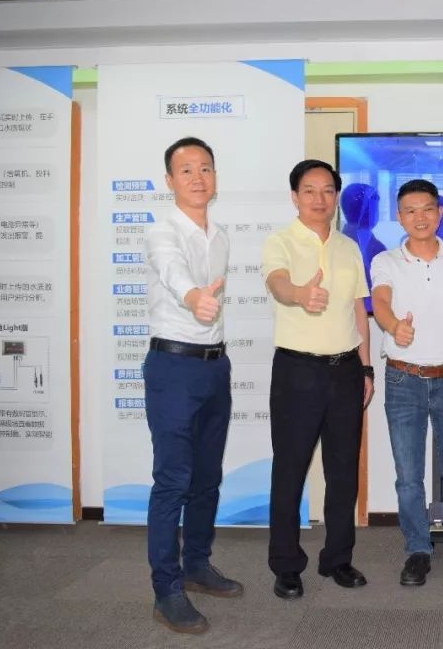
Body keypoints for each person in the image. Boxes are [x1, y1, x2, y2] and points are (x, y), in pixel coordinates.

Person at [262, 159, 374, 600]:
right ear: (295, 197)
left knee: (343, 472)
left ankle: (338, 559)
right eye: (309, 190)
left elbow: (358, 309)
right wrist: (300, 294)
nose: (319, 199)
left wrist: (366, 367)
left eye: (328, 190)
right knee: (290, 471)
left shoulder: (348, 246)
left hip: (346, 370)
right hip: (298, 371)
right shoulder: (280, 241)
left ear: (337, 197)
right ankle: (286, 565)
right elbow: (277, 283)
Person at [369, 179, 443, 589]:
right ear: (399, 217)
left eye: (427, 209)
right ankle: (417, 550)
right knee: (408, 476)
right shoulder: (386, 260)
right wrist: (393, 326)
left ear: (440, 213)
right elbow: (380, 301)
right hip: (403, 378)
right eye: (410, 210)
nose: (419, 217)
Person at [144, 136, 242, 634]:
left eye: (205, 168)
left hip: (214, 367)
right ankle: (167, 590)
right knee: (173, 481)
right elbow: (173, 271)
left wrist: (208, 308)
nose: (198, 177)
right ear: (170, 181)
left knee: (207, 477)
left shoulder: (220, 236)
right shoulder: (162, 231)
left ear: (215, 177)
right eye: (186, 170)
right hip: (174, 368)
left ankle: (197, 565)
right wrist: (192, 298)